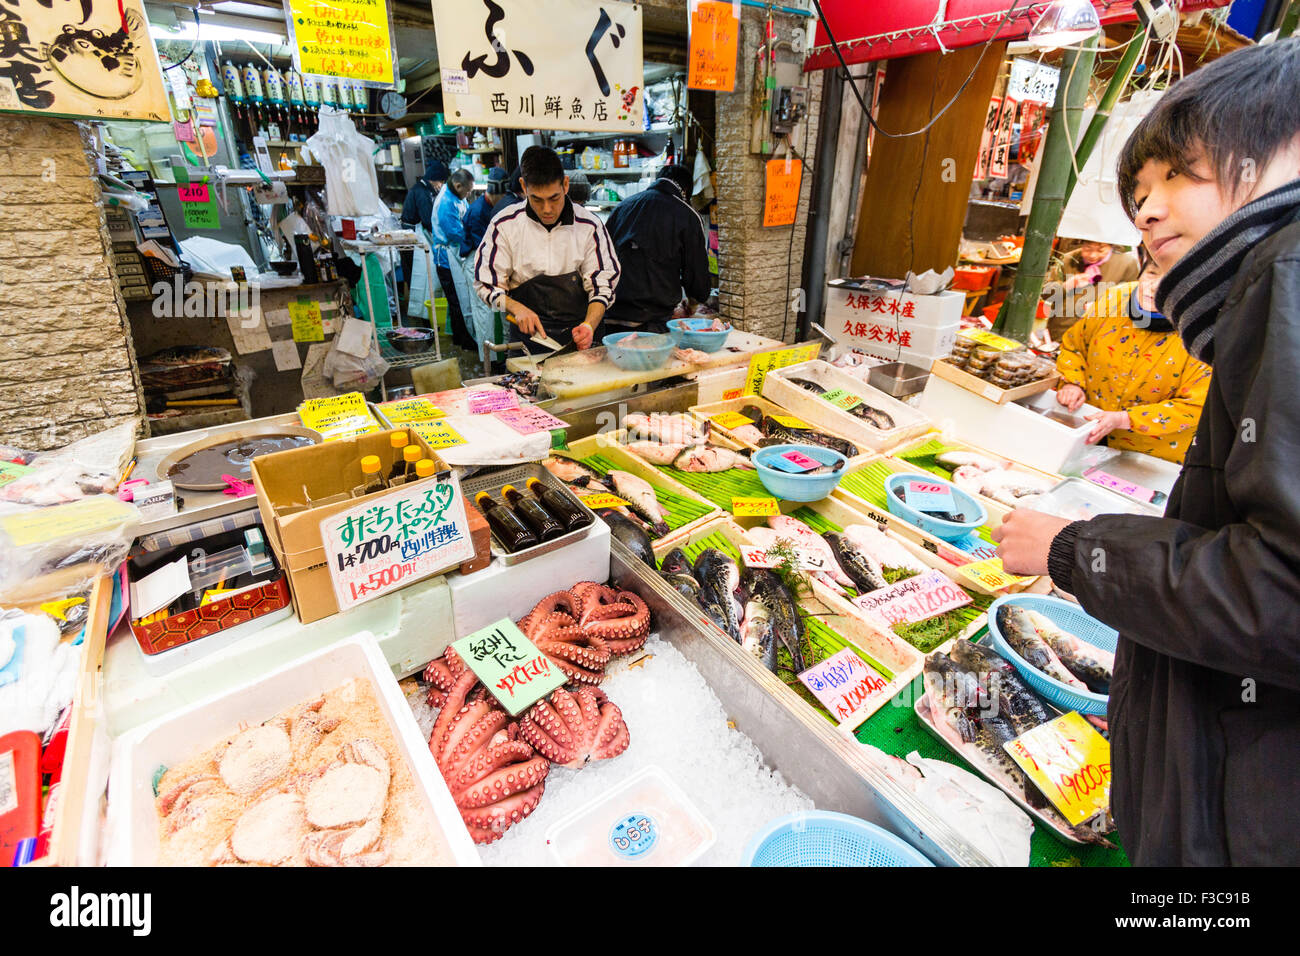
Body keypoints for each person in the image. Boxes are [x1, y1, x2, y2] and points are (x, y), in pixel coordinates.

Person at [995, 39, 1300, 865]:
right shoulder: (1223, 303)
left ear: (1281, 152)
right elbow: (1075, 353)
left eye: (1180, 174)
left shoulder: (1284, 281)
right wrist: (1070, 389)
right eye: (1138, 193)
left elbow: (1281, 590)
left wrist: (1074, 548)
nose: (1148, 211)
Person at [1054, 250, 1210, 464]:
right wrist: (1072, 383)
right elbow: (1075, 345)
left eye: (1171, 281)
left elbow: (1196, 405)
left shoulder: (1201, 332)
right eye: (1152, 273)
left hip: (1147, 456)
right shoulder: (1113, 299)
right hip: (1085, 433)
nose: (1155, 287)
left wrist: (1125, 419)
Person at [474, 146, 619, 352]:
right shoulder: (504, 225)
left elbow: (602, 286)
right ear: (523, 187)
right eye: (537, 199)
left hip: (580, 340)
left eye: (554, 198)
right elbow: (486, 284)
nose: (547, 209)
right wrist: (517, 308)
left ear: (565, 184)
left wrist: (589, 325)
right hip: (527, 343)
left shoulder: (590, 226)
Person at [600, 163, 710, 336]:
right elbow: (697, 277)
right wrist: (694, 302)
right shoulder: (686, 214)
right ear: (686, 190)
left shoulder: (622, 207)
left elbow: (603, 259)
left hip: (610, 316)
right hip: (652, 322)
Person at [1042, 239, 1140, 343]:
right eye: (1088, 248)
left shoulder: (1127, 264)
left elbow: (1132, 300)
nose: (1093, 255)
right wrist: (1068, 285)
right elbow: (1046, 294)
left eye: (1101, 250)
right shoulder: (1068, 259)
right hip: (1062, 330)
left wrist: (1102, 307)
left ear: (1111, 246)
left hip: (1100, 334)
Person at [431, 167, 475, 351]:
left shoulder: (455, 195)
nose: (469, 194)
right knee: (457, 301)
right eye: (468, 190)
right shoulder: (446, 203)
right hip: (447, 259)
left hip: (455, 256)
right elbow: (456, 233)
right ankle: (465, 341)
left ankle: (461, 337)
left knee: (458, 299)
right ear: (458, 185)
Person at [399, 160, 447, 312]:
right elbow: (427, 220)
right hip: (413, 239)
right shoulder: (422, 192)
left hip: (414, 236)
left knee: (415, 275)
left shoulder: (423, 189)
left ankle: (420, 309)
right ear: (435, 179)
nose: (441, 185)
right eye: (441, 181)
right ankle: (419, 311)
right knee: (416, 276)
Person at [460, 166, 509, 257]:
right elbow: (483, 247)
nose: (503, 201)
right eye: (502, 197)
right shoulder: (477, 213)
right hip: (475, 256)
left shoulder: (491, 205)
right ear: (494, 195)